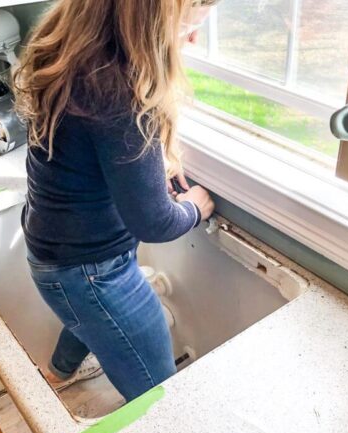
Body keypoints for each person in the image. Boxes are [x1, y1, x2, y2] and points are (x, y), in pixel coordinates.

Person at [14, 0, 217, 402]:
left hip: (54, 247)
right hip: (90, 270)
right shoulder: (118, 92)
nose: (193, 39)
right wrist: (195, 207)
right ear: (149, 20)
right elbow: (154, 223)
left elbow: (92, 152)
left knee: (86, 318)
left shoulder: (71, 53)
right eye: (184, 30)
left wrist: (145, 171)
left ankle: (56, 378)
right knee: (160, 398)